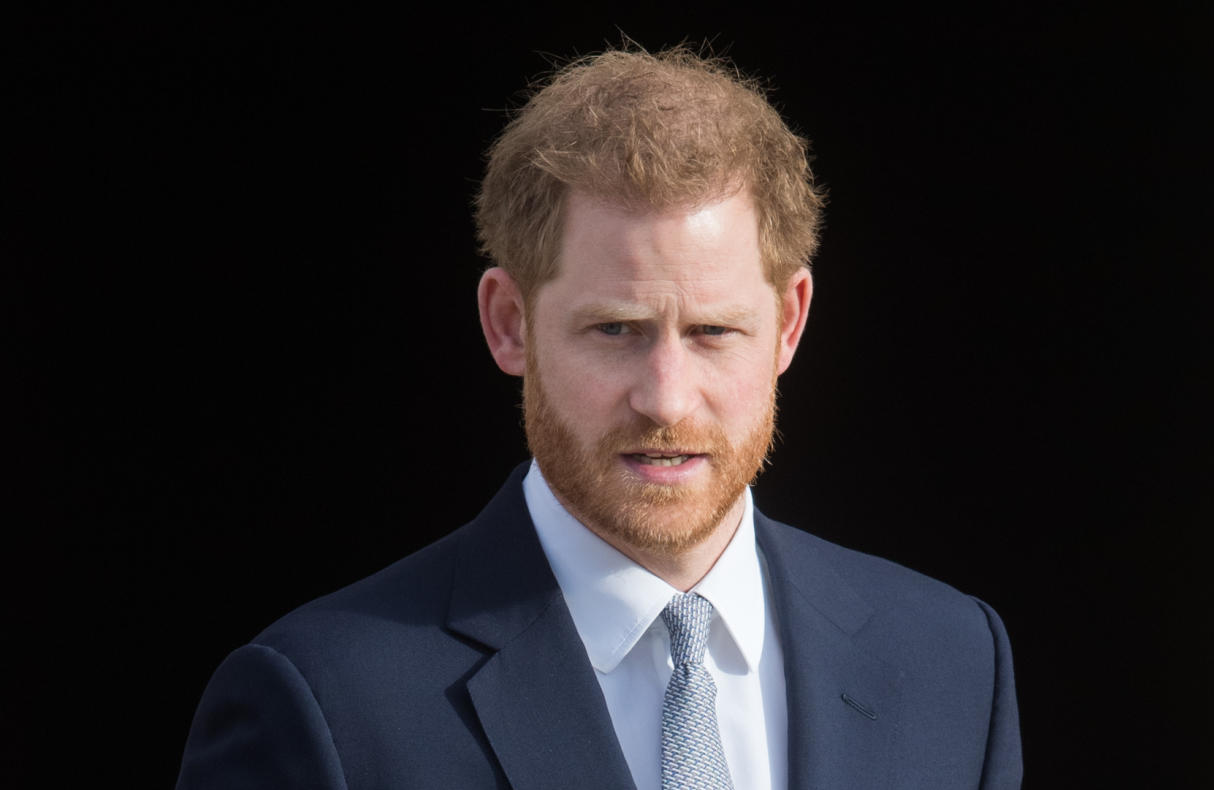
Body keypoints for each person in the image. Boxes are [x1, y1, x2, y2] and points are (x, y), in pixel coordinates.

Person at [176, 45, 1021, 790]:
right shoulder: (325, 703)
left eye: (714, 331)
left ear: (790, 323)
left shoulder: (951, 663)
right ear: (509, 322)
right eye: (615, 330)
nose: (666, 397)